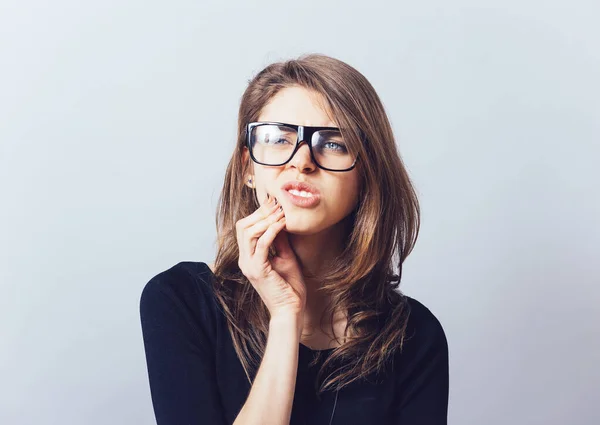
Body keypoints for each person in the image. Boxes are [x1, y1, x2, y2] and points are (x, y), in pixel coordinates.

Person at [139, 54, 449, 425]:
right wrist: (285, 316)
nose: (302, 161)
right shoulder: (180, 301)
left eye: (334, 144)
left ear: (367, 176)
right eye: (277, 138)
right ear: (247, 169)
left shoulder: (414, 337)